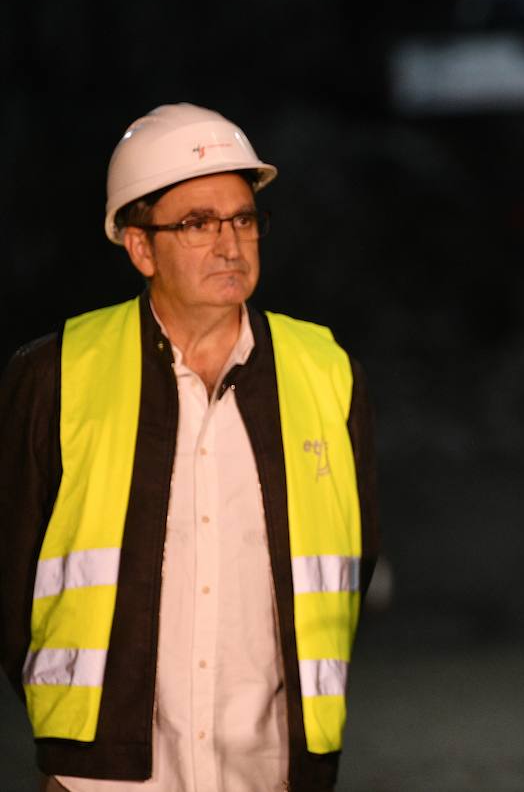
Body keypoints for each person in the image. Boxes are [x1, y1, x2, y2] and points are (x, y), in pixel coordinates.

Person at [0, 104, 380, 791]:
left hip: (271, 770)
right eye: (197, 224)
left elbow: (356, 560)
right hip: (103, 779)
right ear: (141, 247)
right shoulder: (55, 374)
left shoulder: (324, 368)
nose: (230, 244)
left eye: (242, 219)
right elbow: (9, 570)